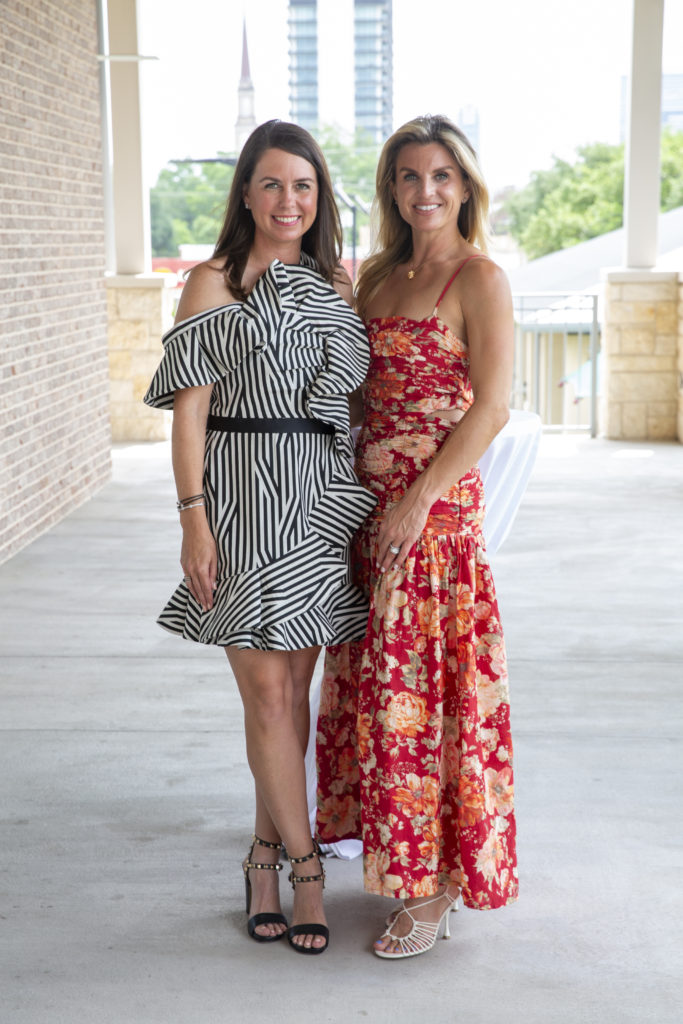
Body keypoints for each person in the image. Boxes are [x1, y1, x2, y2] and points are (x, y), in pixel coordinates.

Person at [143, 120, 376, 955]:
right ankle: (305, 867)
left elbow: (352, 400)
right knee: (266, 697)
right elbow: (189, 411)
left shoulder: (333, 285)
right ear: (245, 192)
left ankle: (261, 856)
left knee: (293, 701)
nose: (289, 200)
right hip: (239, 496)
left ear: (321, 199)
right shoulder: (213, 282)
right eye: (273, 184)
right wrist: (192, 517)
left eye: (304, 186)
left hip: (318, 499)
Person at [316, 114, 519, 959]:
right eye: (407, 176)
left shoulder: (479, 278)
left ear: (465, 185)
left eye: (440, 175)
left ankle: (433, 890)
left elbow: (493, 407)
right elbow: (359, 394)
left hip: (432, 526)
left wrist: (416, 501)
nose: (424, 190)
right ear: (390, 189)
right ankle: (404, 863)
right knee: (379, 699)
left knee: (428, 705)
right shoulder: (374, 277)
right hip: (368, 516)